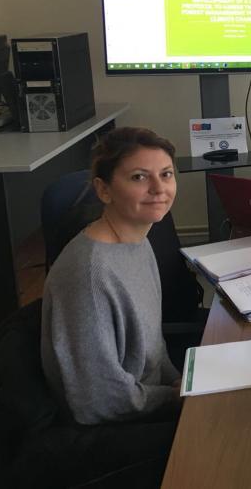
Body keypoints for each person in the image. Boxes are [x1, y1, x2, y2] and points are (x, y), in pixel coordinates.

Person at [41, 126, 182, 427]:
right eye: (139, 177)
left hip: (149, 403)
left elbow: (153, 350)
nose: (159, 188)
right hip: (115, 429)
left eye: (166, 174)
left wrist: (182, 383)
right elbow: (99, 401)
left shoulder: (138, 242)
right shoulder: (90, 273)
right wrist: (174, 397)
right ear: (104, 190)